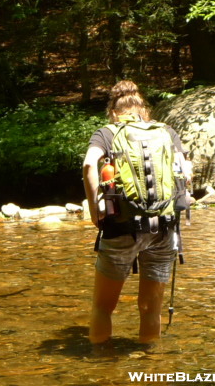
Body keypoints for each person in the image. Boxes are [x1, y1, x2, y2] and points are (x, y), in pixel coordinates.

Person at [82, 80, 191, 345]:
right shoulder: (165, 131)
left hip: (120, 227)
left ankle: (101, 364)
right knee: (150, 309)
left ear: (113, 111)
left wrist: (96, 211)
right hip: (164, 228)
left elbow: (88, 165)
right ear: (144, 109)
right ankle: (150, 363)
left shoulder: (107, 132)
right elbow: (186, 173)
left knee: (103, 307)